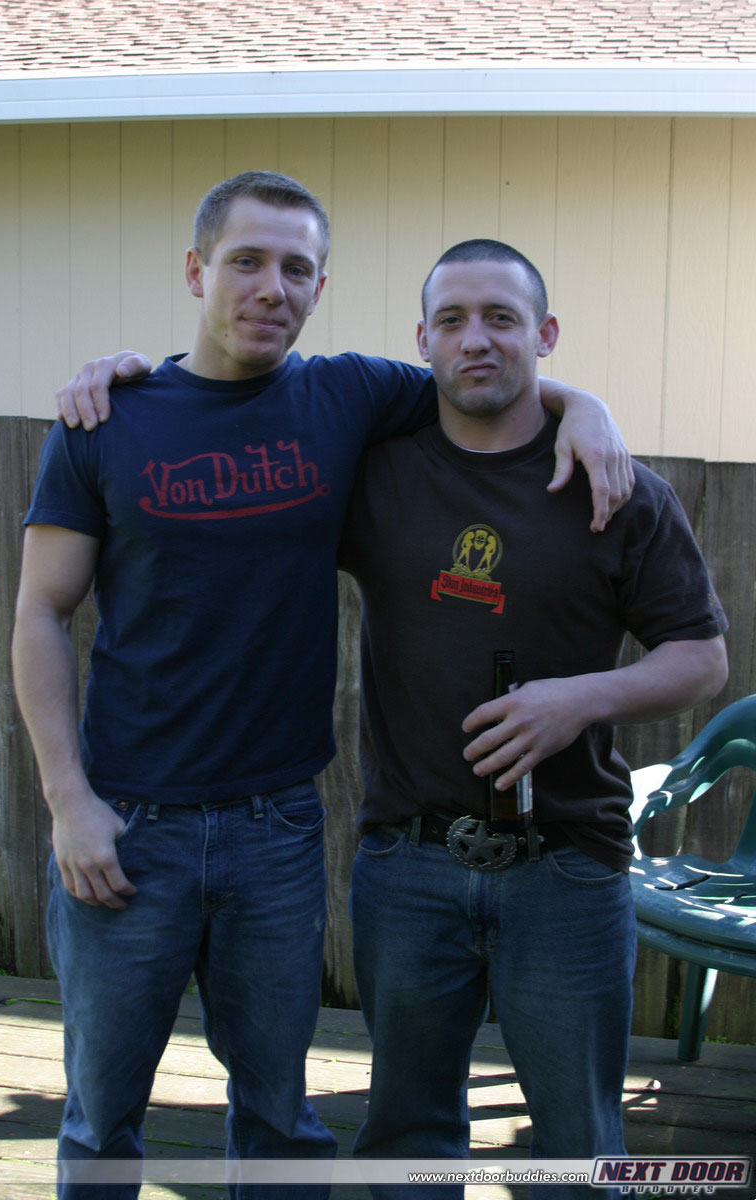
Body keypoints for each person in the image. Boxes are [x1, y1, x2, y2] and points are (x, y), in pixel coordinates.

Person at [13, 170, 631, 1200]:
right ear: (196, 270)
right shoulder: (106, 420)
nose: (271, 286)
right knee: (100, 1119)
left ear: (319, 287)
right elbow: (40, 612)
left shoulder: (345, 395)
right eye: (246, 261)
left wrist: (590, 406)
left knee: (278, 1117)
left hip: (277, 832)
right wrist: (67, 801)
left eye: (296, 268)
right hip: (126, 827)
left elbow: (482, 373)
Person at [337, 238, 729, 1199]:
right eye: (453, 320)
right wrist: (126, 376)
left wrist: (578, 699)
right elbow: (244, 411)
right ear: (422, 340)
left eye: (502, 318)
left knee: (577, 1150)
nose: (476, 339)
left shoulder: (614, 487)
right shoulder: (373, 474)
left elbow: (702, 657)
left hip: (567, 868)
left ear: (545, 333)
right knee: (407, 1142)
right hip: (409, 864)